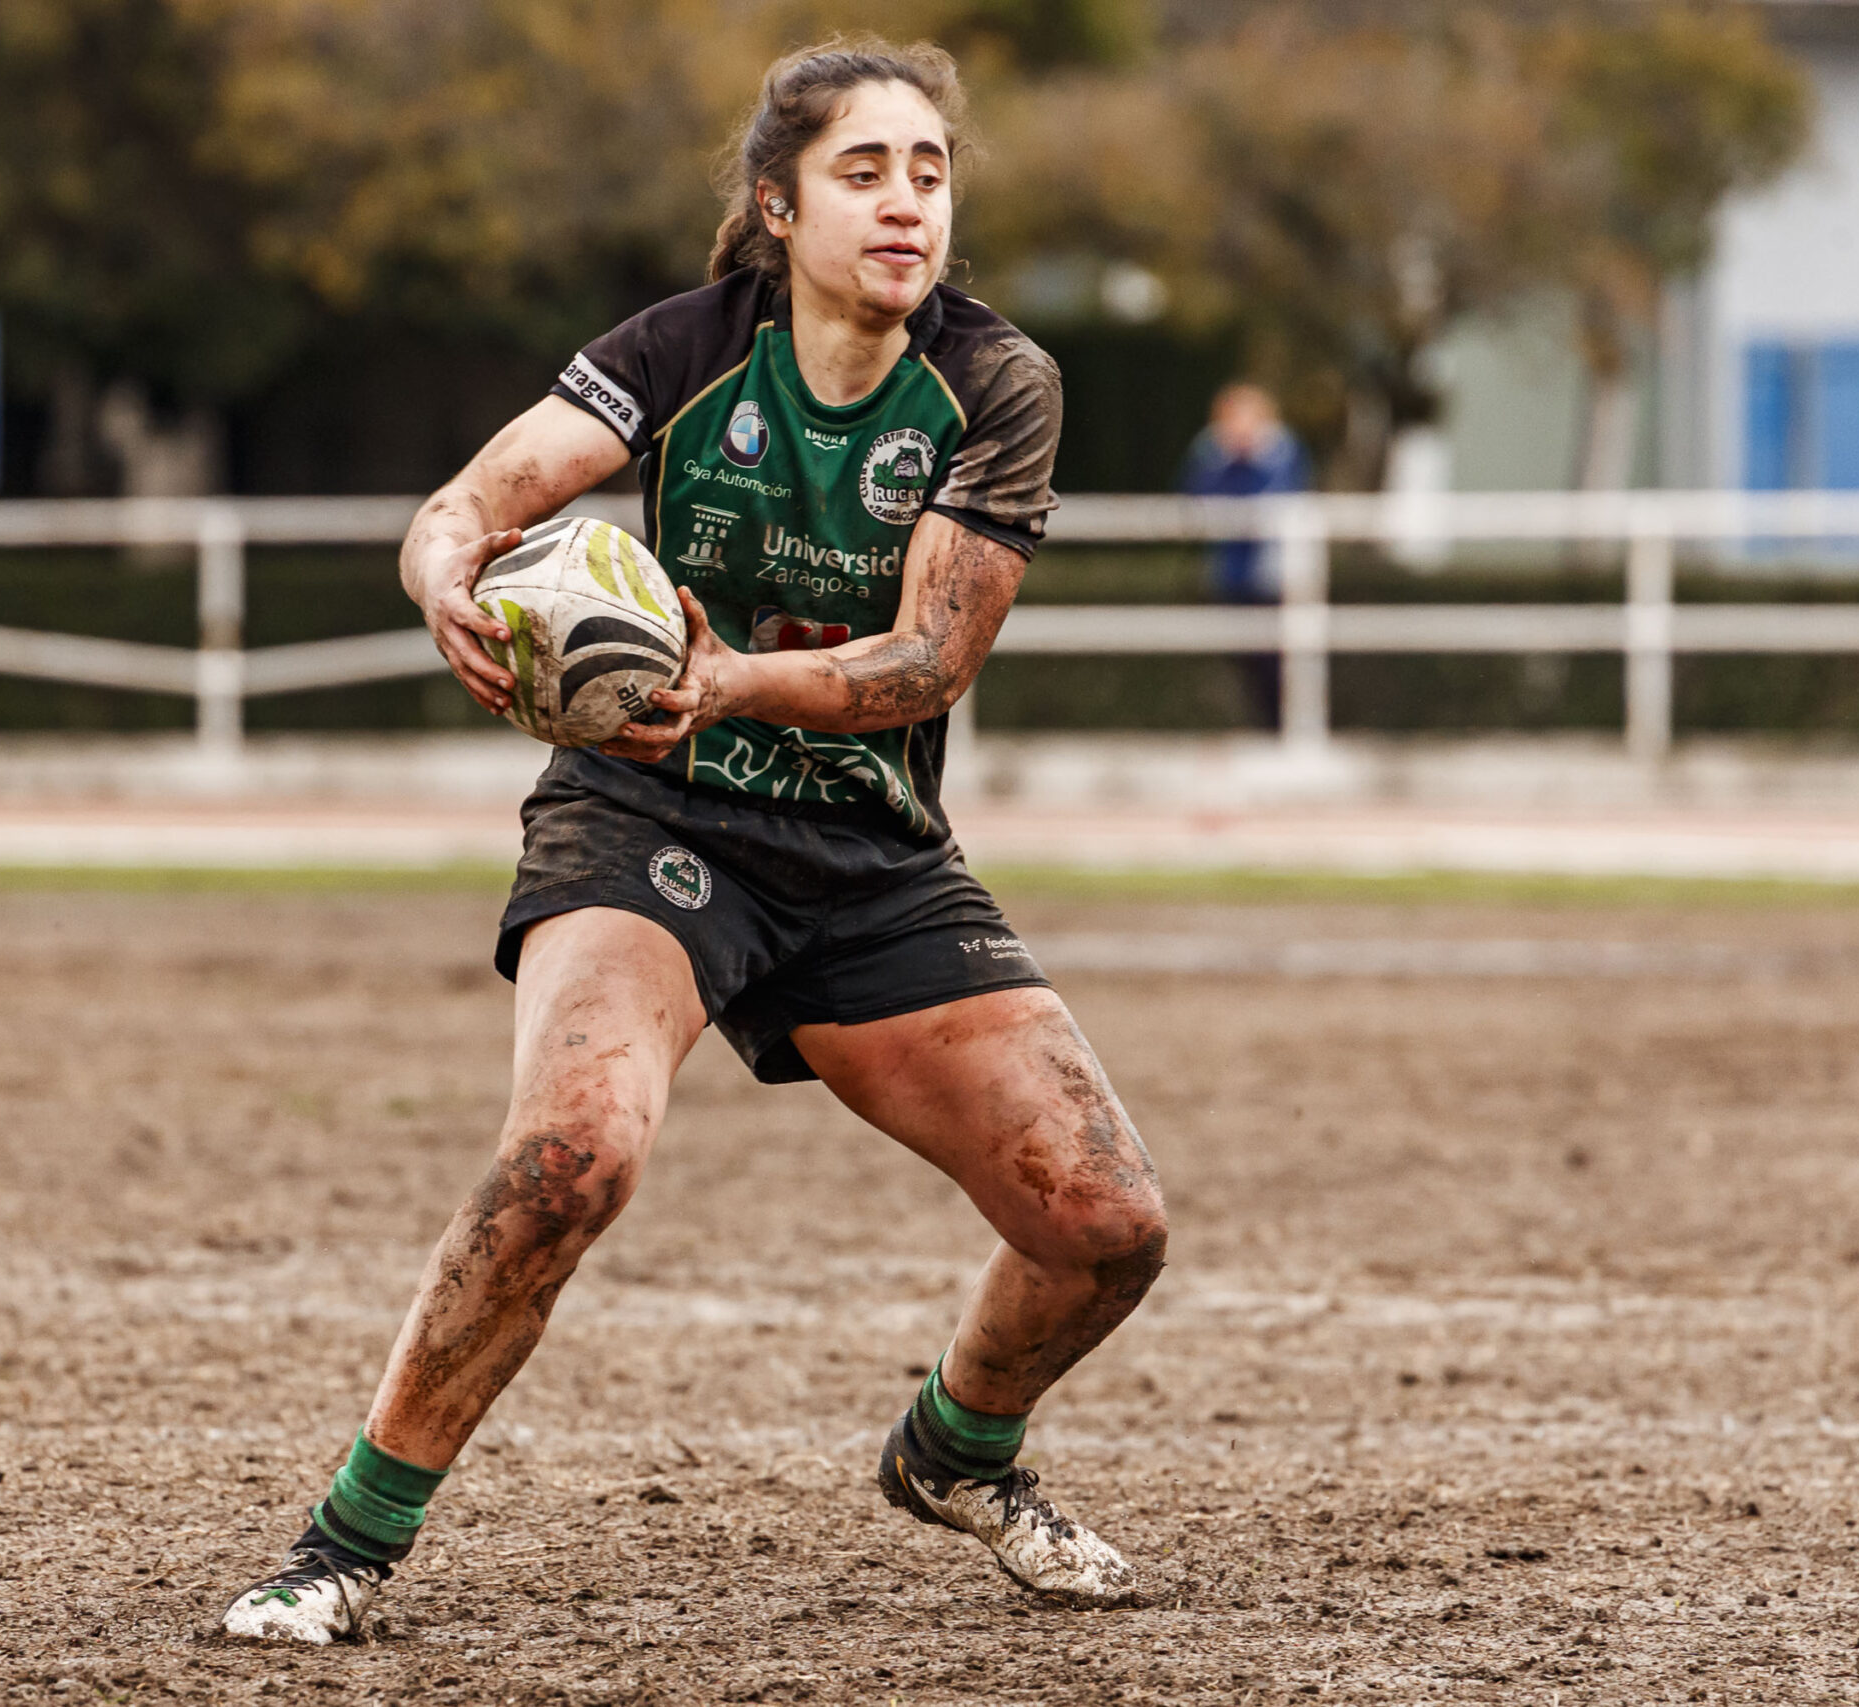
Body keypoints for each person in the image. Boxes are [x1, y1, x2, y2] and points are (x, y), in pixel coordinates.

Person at [220, 39, 1169, 1647]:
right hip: (651, 819)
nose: (905, 201)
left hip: (867, 849)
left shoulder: (996, 385)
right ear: (777, 205)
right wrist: (444, 573)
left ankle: (955, 1449)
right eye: (864, 170)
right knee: (570, 1156)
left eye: (930, 171)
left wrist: (726, 675)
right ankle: (342, 1546)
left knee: (1106, 1223)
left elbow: (929, 666)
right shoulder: (684, 348)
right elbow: (471, 499)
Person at [1181, 382, 1308, 731]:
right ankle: (1260, 727)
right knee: (1244, 657)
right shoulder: (1210, 452)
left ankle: (1281, 728)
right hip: (1230, 573)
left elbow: (1277, 504)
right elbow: (1198, 502)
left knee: (1277, 659)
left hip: (1274, 573)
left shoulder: (1282, 451)